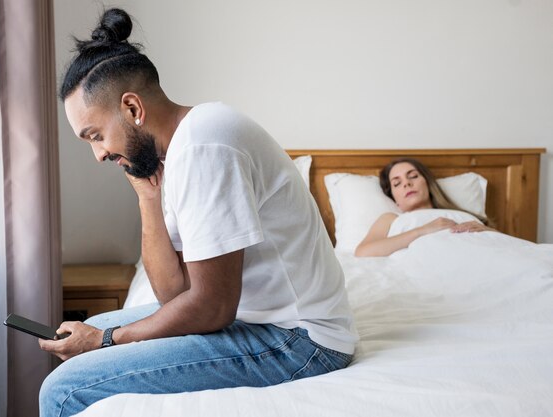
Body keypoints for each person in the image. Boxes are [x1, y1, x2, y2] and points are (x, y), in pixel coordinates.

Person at [38, 8, 357, 416]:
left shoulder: (205, 146)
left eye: (96, 135)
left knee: (64, 391)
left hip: (301, 341)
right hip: (257, 320)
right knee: (98, 328)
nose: (99, 154)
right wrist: (148, 200)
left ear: (133, 109)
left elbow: (211, 307)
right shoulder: (177, 153)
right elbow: (174, 294)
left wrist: (105, 341)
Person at [355, 158, 494, 257]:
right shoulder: (391, 218)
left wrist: (488, 231)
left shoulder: (459, 214)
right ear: (394, 198)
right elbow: (363, 252)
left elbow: (500, 242)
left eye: (413, 176)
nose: (407, 183)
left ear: (427, 183)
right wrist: (424, 230)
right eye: (397, 183)